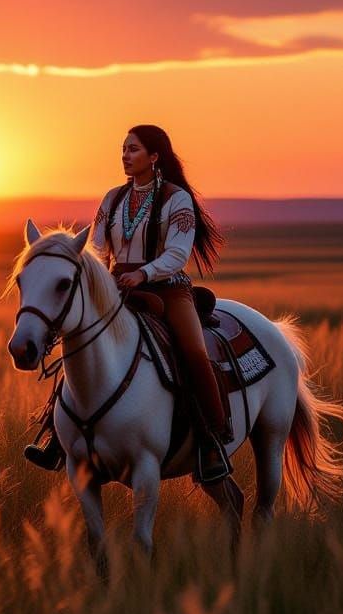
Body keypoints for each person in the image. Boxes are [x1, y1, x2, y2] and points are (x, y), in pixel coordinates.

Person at [24, 124, 232, 483]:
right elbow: (99, 247)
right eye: (123, 149)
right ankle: (55, 435)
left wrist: (144, 273)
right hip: (117, 287)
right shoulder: (113, 199)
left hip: (168, 290)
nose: (125, 155)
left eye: (133, 149)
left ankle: (212, 439)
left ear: (154, 157)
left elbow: (178, 254)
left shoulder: (176, 199)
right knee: (79, 345)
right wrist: (104, 276)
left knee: (194, 353)